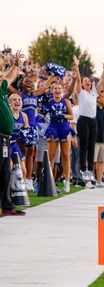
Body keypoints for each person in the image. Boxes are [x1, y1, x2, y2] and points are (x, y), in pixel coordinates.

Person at [73, 56, 104, 184]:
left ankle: (89, 170)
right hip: (83, 120)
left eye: (89, 80)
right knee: (84, 145)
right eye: (85, 80)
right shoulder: (81, 92)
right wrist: (77, 66)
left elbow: (101, 81)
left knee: (91, 146)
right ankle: (83, 170)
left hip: (93, 121)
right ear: (83, 84)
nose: (88, 82)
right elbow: (77, 78)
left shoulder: (94, 92)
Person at [1, 53, 24, 216]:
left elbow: (9, 78)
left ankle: (7, 206)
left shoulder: (2, 89)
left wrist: (15, 64)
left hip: (5, 138)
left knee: (5, 172)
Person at [45, 82, 74, 192]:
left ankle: (67, 182)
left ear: (62, 90)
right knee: (51, 156)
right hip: (53, 128)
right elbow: (44, 114)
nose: (57, 90)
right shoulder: (49, 101)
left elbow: (72, 116)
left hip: (64, 128)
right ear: (52, 90)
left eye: (59, 88)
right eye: (55, 88)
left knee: (66, 155)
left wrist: (63, 115)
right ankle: (50, 182)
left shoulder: (65, 101)